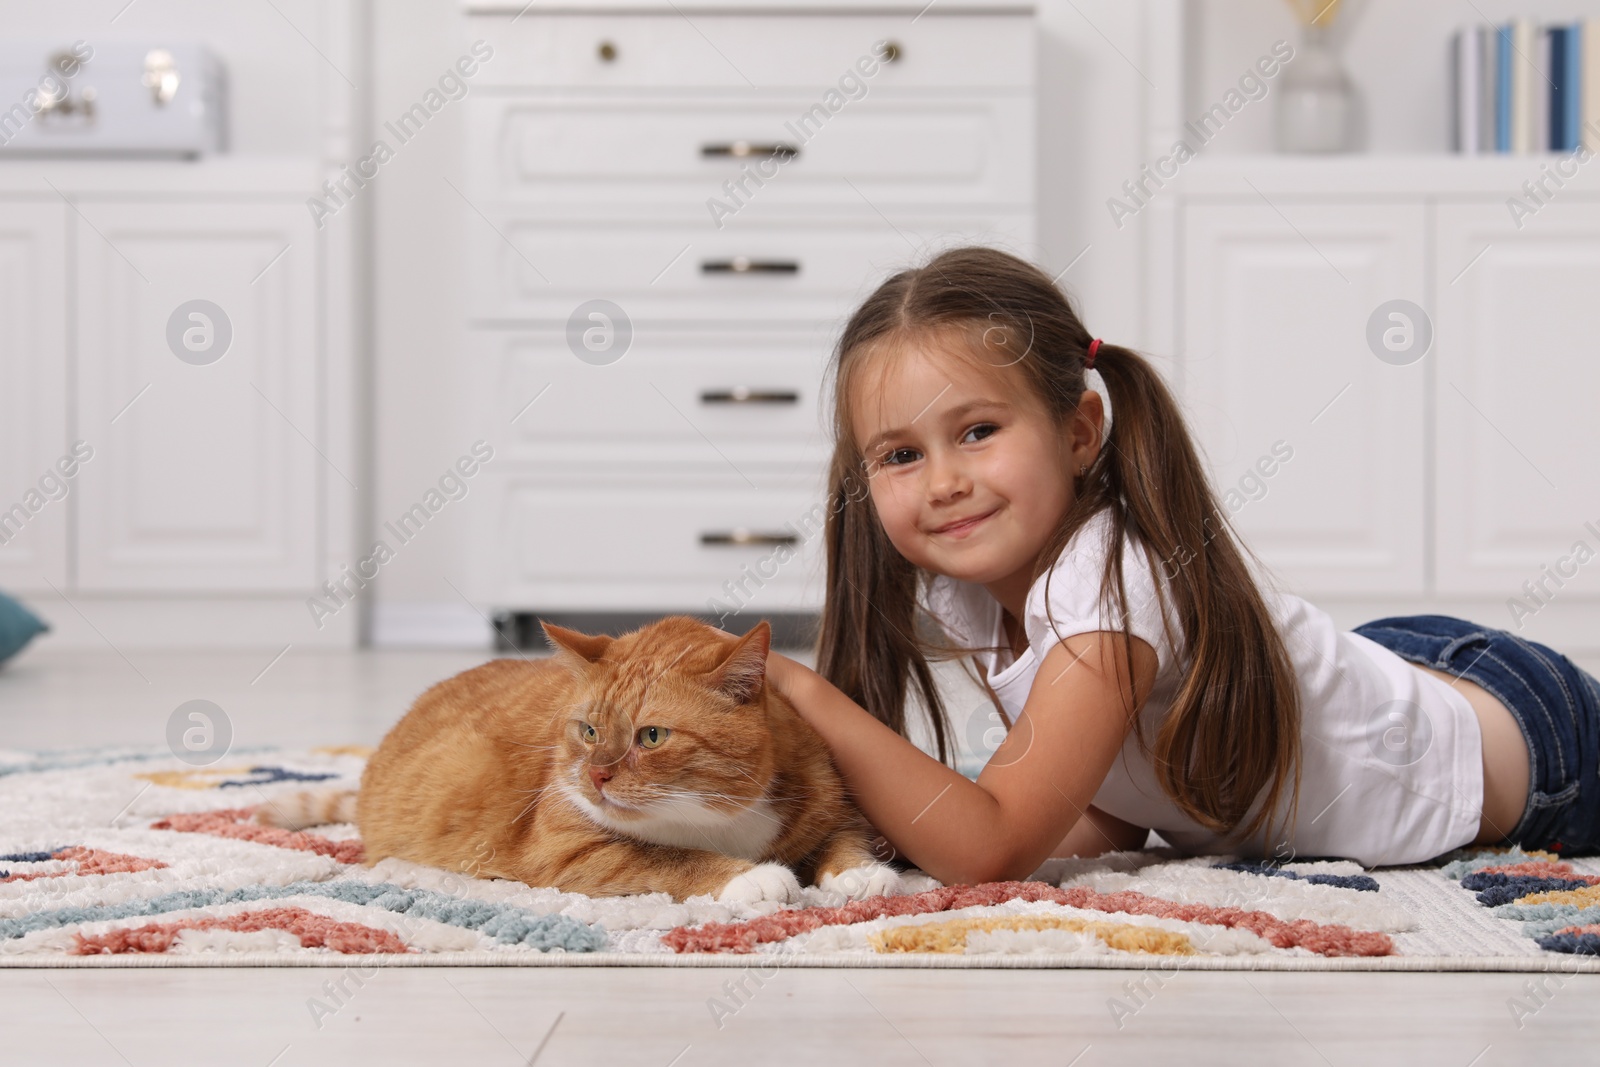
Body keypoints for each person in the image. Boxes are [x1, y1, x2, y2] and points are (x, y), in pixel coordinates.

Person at [763, 245, 1600, 885]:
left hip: (1532, 749)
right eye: (902, 453)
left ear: (1081, 430)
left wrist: (806, 692)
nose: (944, 481)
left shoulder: (1105, 585)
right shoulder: (972, 594)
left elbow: (994, 846)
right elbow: (1101, 797)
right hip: (1389, 671)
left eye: (978, 431)